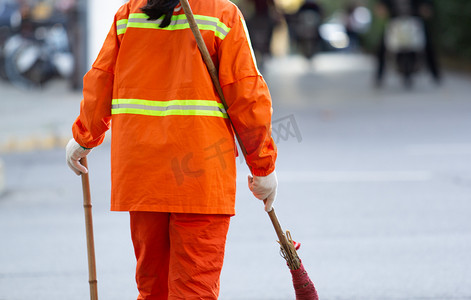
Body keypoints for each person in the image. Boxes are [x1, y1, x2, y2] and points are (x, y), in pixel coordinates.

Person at [65, 0, 277, 298]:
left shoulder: (129, 15)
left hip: (143, 175)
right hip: (200, 176)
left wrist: (84, 137)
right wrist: (263, 167)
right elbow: (247, 96)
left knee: (153, 289)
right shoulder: (222, 14)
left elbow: (102, 78)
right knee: (193, 290)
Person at [374, 0, 441, 86]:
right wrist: (381, 8)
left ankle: (435, 74)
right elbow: (382, 5)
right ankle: (379, 75)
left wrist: (426, 8)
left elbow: (427, 4)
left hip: (415, 22)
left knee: (428, 45)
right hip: (395, 22)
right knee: (382, 47)